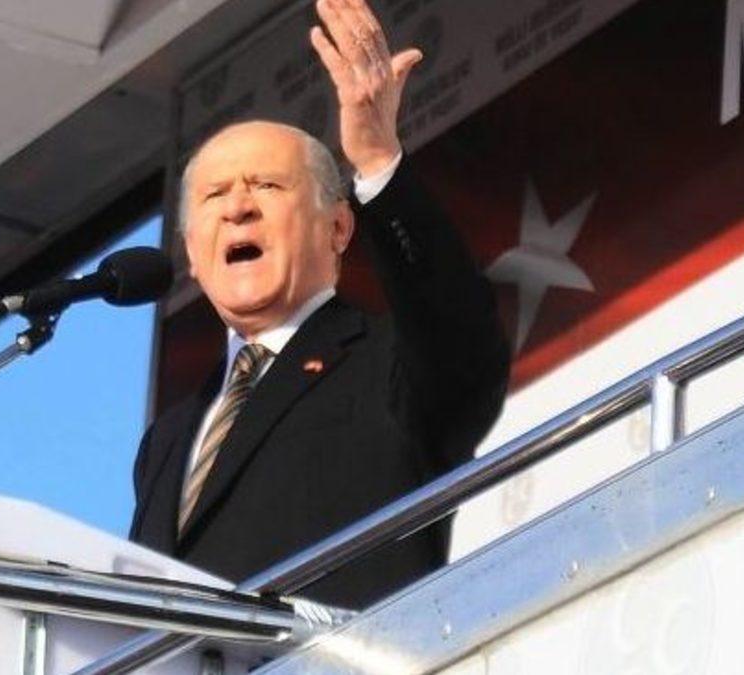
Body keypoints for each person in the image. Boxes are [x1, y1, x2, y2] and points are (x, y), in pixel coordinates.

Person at [128, 0, 509, 610]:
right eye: (215, 196)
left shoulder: (387, 361)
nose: (238, 207)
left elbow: (458, 331)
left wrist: (378, 161)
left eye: (267, 185)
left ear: (337, 228)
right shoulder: (167, 440)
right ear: (193, 254)